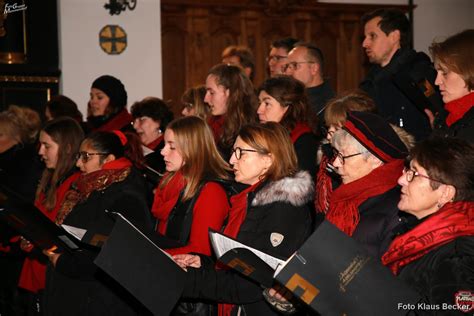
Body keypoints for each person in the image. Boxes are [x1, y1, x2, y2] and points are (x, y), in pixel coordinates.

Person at [174, 122, 314, 315]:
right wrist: (202, 263)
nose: (232, 160)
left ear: (268, 159)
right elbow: (238, 263)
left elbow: (252, 284)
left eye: (241, 152)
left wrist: (186, 280)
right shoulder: (248, 198)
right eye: (233, 152)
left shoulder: (284, 208)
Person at [43, 130, 152, 316]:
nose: (78, 164)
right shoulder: (91, 186)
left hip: (99, 300)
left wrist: (62, 262)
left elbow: (110, 256)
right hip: (81, 294)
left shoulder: (126, 196)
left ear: (108, 159)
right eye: (79, 156)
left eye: (86, 157)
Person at [382, 137, 474, 313]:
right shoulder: (415, 232)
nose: (401, 180)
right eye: (407, 170)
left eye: (414, 174)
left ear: (445, 193)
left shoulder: (458, 257)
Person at [18, 117, 84, 315]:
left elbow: (59, 229)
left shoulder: (75, 183)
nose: (40, 152)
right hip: (38, 271)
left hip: (53, 273)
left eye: (47, 146)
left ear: (67, 147)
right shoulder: (50, 179)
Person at [326, 111, 408, 258]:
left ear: (375, 160)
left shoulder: (398, 209)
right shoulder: (346, 194)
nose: (335, 163)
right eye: (336, 154)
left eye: (343, 156)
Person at [151, 116, 231, 256]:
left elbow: (201, 251)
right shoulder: (170, 182)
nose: (163, 152)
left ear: (193, 149)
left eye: (172, 147)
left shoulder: (211, 191)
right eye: (164, 144)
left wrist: (152, 255)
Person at [360, 8, 443, 141]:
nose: (365, 43)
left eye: (372, 36)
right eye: (365, 37)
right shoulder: (369, 81)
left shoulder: (418, 73)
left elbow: (437, 112)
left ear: (394, 37)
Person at [0, 105, 43, 316]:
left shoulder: (24, 165)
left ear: (16, 138)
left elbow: (19, 206)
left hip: (16, 245)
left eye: (0, 135)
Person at [315, 91, 377, 214]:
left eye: (337, 130)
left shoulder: (367, 166)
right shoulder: (327, 160)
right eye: (328, 128)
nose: (328, 136)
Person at [257, 75, 318, 175]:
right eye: (259, 103)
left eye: (267, 103)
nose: (259, 110)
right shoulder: (261, 134)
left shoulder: (304, 141)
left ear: (287, 107)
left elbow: (299, 184)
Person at [204, 63, 258, 160]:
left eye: (211, 92)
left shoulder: (249, 131)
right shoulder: (213, 124)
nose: (206, 99)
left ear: (230, 93)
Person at [430, 29, 474, 142]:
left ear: (470, 71)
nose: (437, 81)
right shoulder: (445, 118)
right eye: (437, 73)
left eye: (444, 73)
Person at [283, 42, 335, 125]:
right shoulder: (290, 97)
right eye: (287, 66)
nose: (288, 72)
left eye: (294, 65)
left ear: (314, 68)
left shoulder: (330, 106)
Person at [130, 97, 174, 176]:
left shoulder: (170, 150)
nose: (135, 126)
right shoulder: (134, 149)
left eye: (141, 120)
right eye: (134, 121)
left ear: (158, 121)